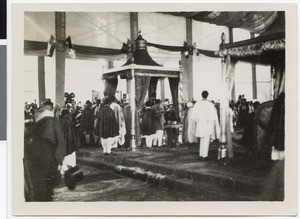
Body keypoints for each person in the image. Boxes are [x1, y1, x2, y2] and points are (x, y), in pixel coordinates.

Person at [24, 102, 66, 201]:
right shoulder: (52, 123)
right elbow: (60, 143)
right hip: (44, 172)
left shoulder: (36, 130)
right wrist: (59, 161)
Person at [191, 91, 220, 160]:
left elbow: (193, 116)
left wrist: (197, 120)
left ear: (202, 95)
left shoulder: (197, 104)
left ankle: (201, 155)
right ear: (207, 95)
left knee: (202, 139)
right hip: (207, 124)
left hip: (200, 124)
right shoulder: (210, 104)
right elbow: (213, 116)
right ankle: (204, 155)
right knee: (206, 139)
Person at [59, 108, 79, 174]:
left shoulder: (59, 122)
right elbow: (74, 135)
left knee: (63, 157)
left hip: (62, 143)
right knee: (72, 157)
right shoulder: (70, 123)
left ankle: (64, 170)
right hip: (70, 144)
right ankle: (72, 170)